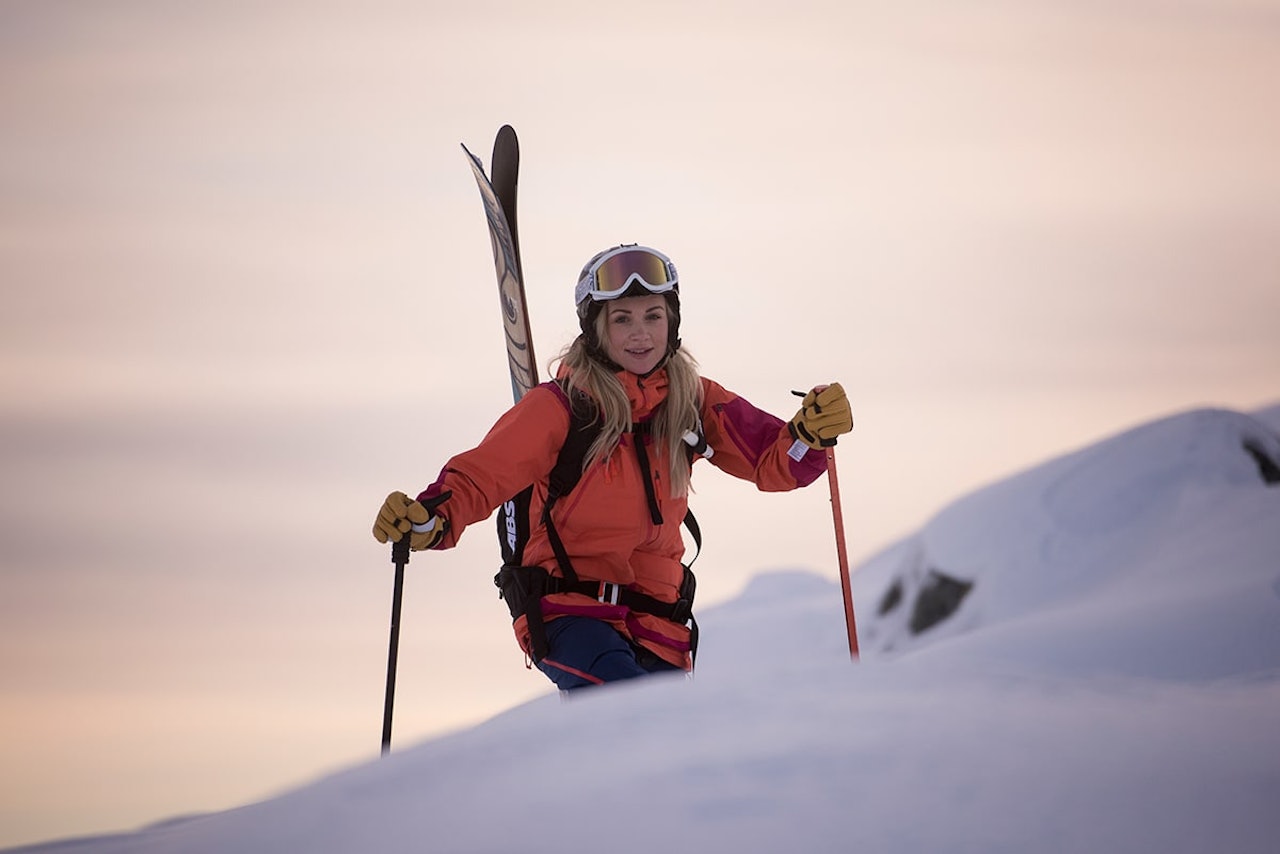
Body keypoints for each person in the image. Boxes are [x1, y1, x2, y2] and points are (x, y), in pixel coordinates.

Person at [373, 244, 852, 691]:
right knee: (635, 714)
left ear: (672, 323)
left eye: (653, 316)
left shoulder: (693, 400)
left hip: (661, 625)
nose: (640, 333)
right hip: (569, 612)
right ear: (596, 329)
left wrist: (809, 435)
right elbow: (484, 474)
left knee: (662, 753)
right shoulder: (560, 407)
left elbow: (772, 461)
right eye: (621, 319)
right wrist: (431, 519)